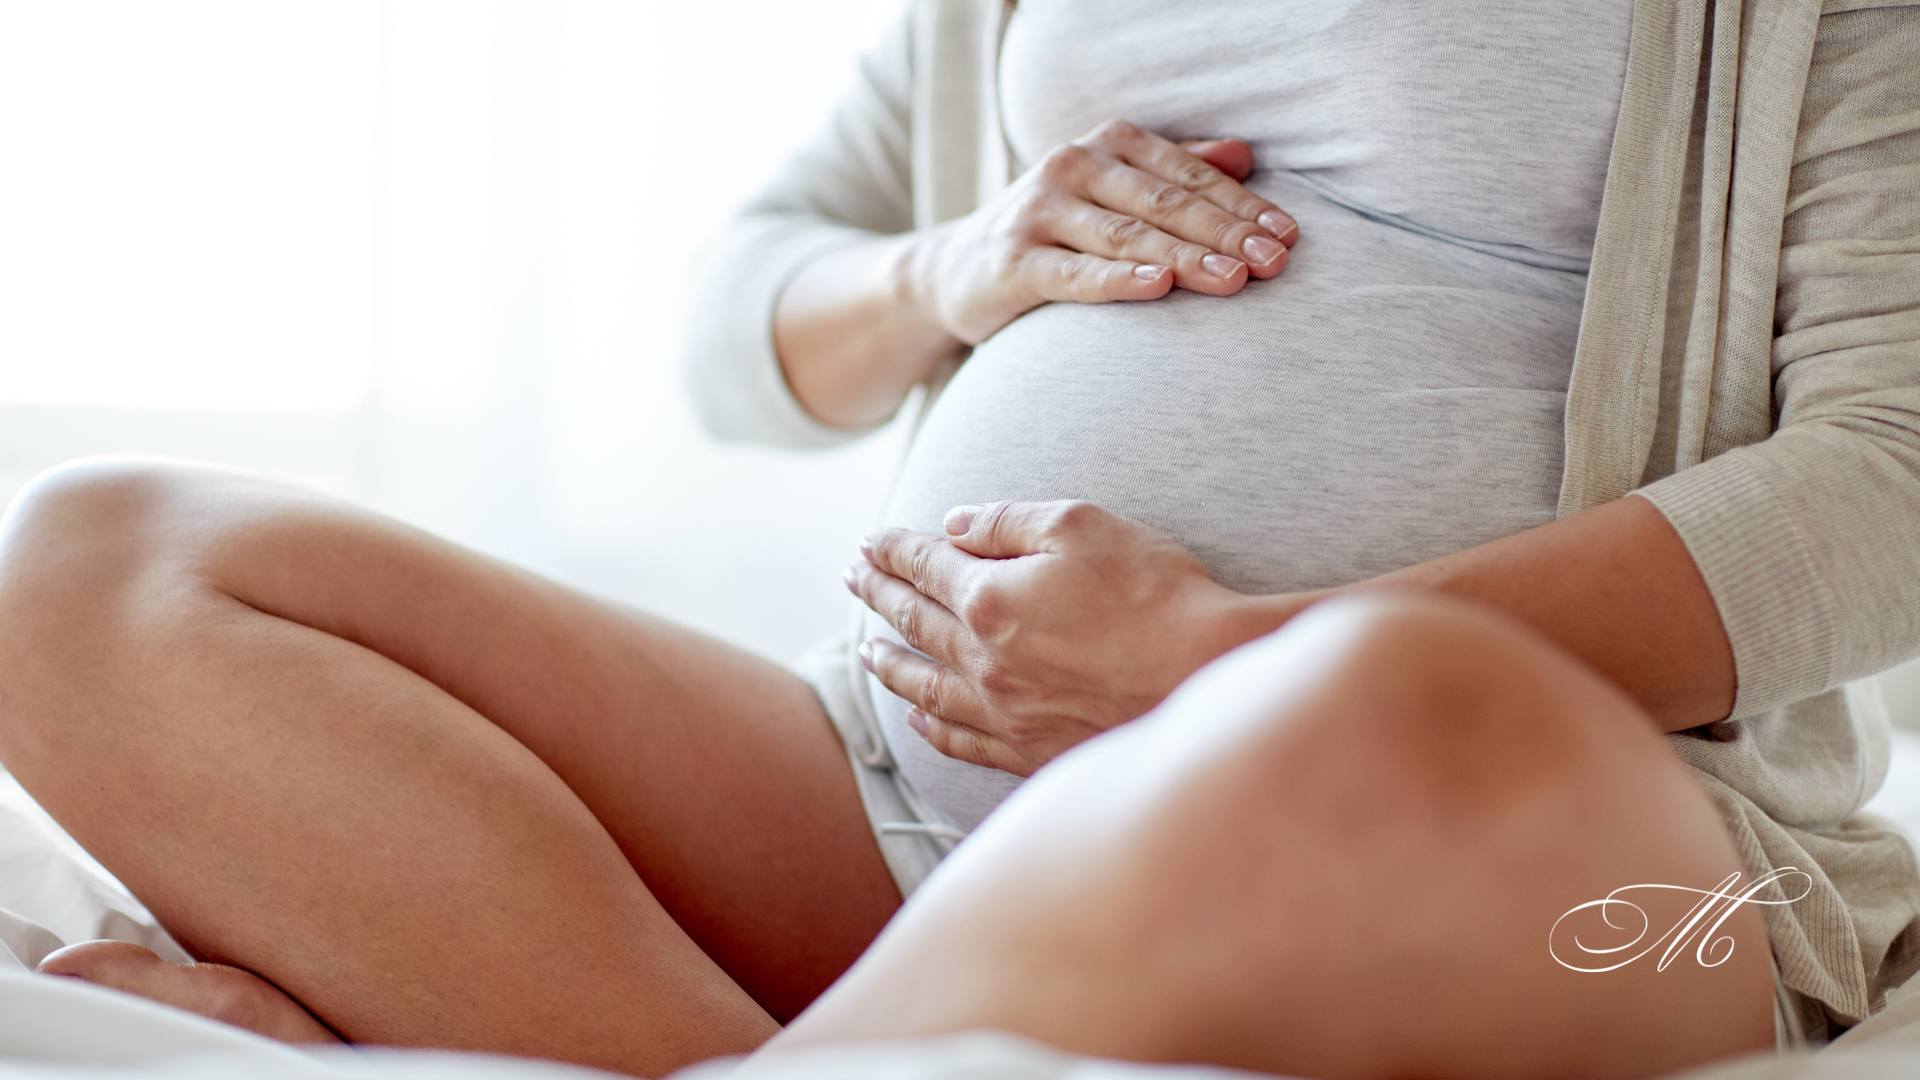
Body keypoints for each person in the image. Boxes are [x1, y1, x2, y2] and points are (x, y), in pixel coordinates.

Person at [0, 0, 1914, 1077]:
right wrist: (953, 264)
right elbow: (733, 321)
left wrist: (1220, 663)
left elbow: (1887, 478)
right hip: (898, 790)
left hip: (1568, 841)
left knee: (1392, 712)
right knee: (90, 568)